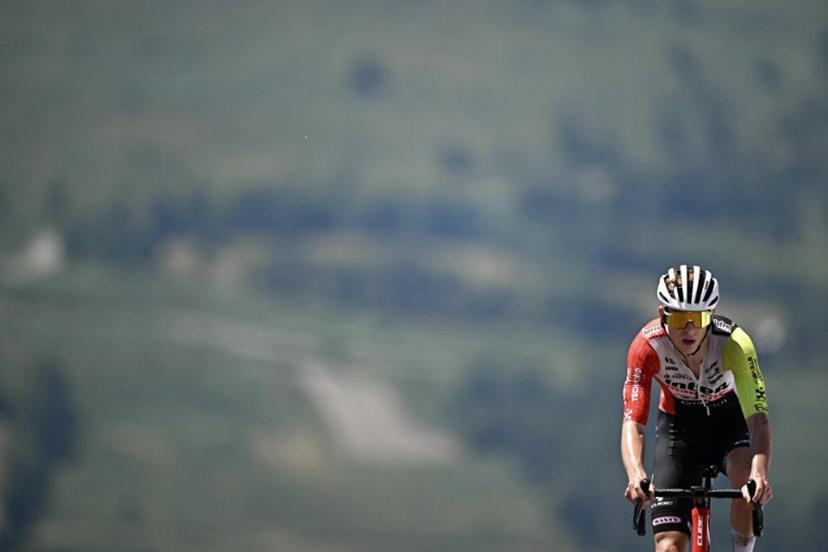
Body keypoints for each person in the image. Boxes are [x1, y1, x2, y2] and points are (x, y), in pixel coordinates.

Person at [621, 264, 773, 552]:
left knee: (745, 480)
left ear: (711, 316)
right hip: (678, 431)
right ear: (662, 315)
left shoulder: (735, 344)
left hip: (728, 423)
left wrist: (760, 474)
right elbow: (633, 423)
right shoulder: (646, 347)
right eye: (679, 318)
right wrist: (635, 473)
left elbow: (758, 419)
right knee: (668, 547)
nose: (689, 328)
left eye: (698, 317)